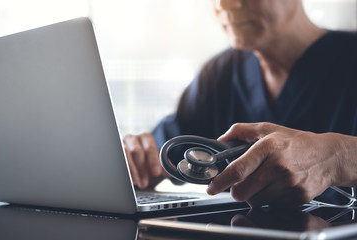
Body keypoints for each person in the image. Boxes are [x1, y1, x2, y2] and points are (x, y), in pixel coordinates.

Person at [123, 0, 357, 207]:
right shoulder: (219, 74)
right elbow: (167, 150)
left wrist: (340, 156)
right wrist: (139, 158)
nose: (225, 4)